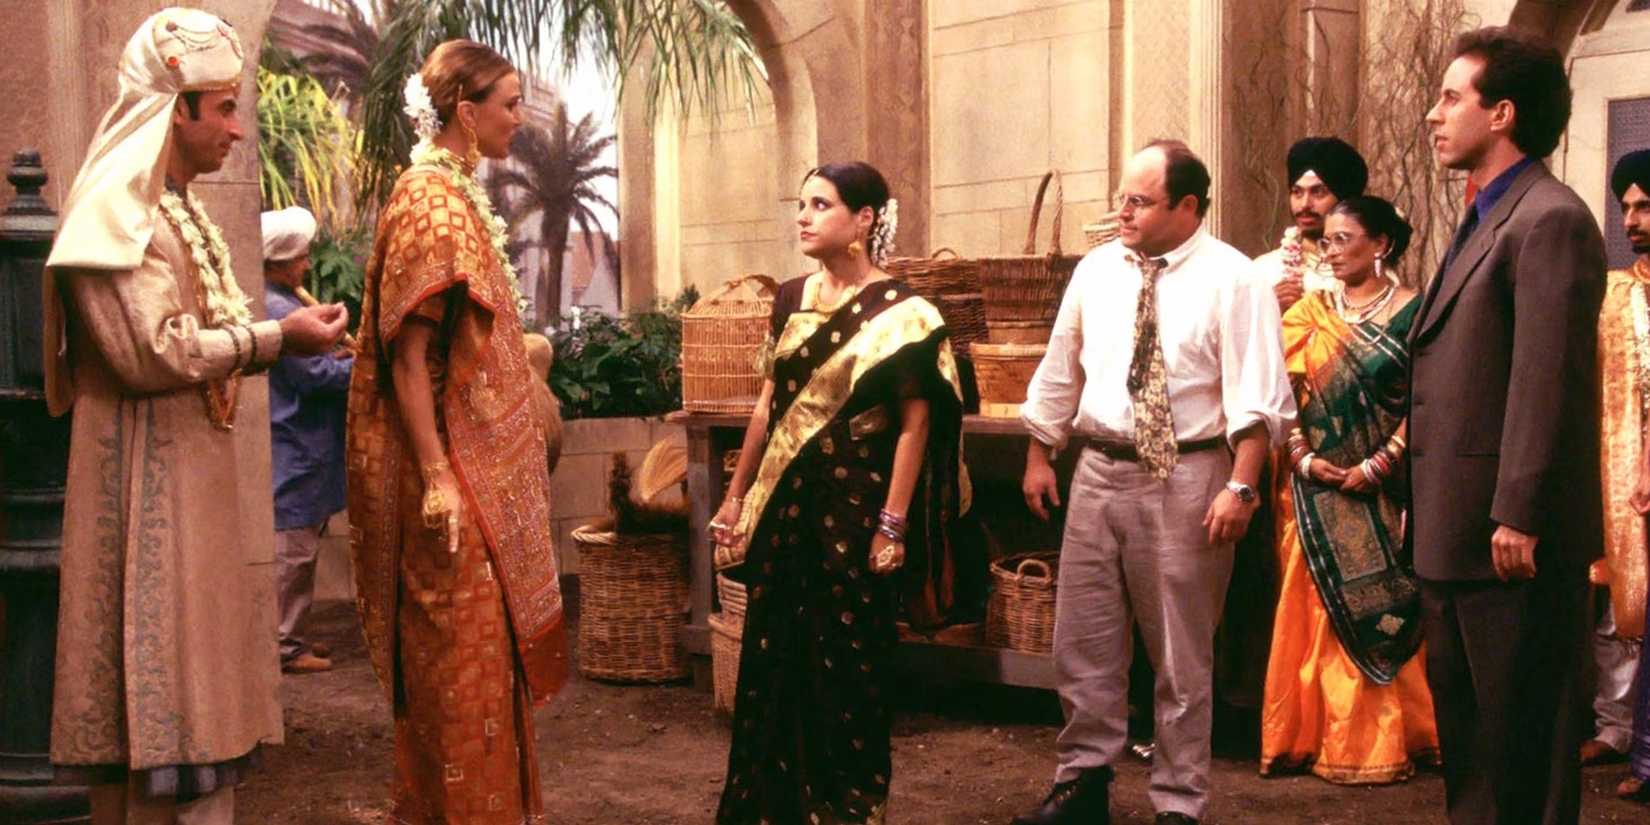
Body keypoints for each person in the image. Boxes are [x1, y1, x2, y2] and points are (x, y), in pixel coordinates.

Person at [43, 9, 349, 823]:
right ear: (176, 110)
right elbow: (152, 350)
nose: (238, 130)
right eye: (224, 109)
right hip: (147, 487)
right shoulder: (118, 206)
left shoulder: (171, 203)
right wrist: (275, 337)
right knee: (159, 698)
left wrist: (275, 336)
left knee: (197, 690)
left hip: (188, 483)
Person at [1013, 140, 1295, 825]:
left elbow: (1259, 397)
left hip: (1189, 473)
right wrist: (1039, 452)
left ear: (1187, 206)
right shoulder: (1098, 270)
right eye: (1122, 197)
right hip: (1099, 467)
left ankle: (1178, 801)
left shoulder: (1234, 279)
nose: (1123, 212)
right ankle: (1082, 782)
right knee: (1083, 639)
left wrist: (1242, 487)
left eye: (1139, 201)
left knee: (1180, 650)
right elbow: (1061, 364)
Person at [709, 161, 974, 825]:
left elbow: (916, 425)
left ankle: (846, 807)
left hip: (853, 506)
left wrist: (892, 524)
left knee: (848, 662)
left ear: (864, 219)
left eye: (820, 205)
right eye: (801, 204)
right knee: (772, 658)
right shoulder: (789, 299)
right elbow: (768, 405)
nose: (803, 217)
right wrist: (736, 497)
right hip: (786, 507)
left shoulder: (906, 314)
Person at [345, 39, 568, 824]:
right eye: (510, 104)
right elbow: (408, 359)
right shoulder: (431, 204)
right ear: (466, 114)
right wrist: (439, 475)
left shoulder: (458, 195)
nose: (521, 118)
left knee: (485, 659)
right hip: (452, 486)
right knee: (455, 663)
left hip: (477, 482)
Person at [1412, 26, 1606, 825]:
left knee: (1523, 756)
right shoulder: (1485, 215)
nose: (1434, 114)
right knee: (1475, 760)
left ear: (1502, 114)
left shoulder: (1549, 219)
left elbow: (1545, 377)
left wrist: (1518, 510)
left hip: (1510, 544)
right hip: (1457, 534)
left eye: (1451, 97)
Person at [1260, 196, 1438, 784]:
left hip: (1385, 491)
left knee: (1386, 606)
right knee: (1311, 610)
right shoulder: (1309, 314)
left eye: (1344, 240)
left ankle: (1389, 740)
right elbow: (1282, 395)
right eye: (1327, 241)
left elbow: (1428, 400)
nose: (1330, 252)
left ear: (1380, 244)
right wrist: (1304, 459)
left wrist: (1380, 464)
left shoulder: (1415, 313)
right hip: (1313, 492)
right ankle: (1308, 735)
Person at [262, 205, 351, 675]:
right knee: (293, 553)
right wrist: (363, 369)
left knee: (299, 548)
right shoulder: (278, 309)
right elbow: (314, 377)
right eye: (300, 258)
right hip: (294, 446)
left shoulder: (281, 303)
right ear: (279, 264)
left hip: (301, 445)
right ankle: (284, 644)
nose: (306, 265)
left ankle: (290, 633)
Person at [1605, 148, 1650, 803]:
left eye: (1645, 206)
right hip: (1625, 475)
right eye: (1626, 207)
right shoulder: (1613, 294)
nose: (1632, 220)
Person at [1254, 137, 1370, 313]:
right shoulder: (1264, 271)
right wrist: (1268, 309)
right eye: (1297, 192)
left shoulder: (1367, 271)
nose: (1304, 204)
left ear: (1345, 199)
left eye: (1318, 192)